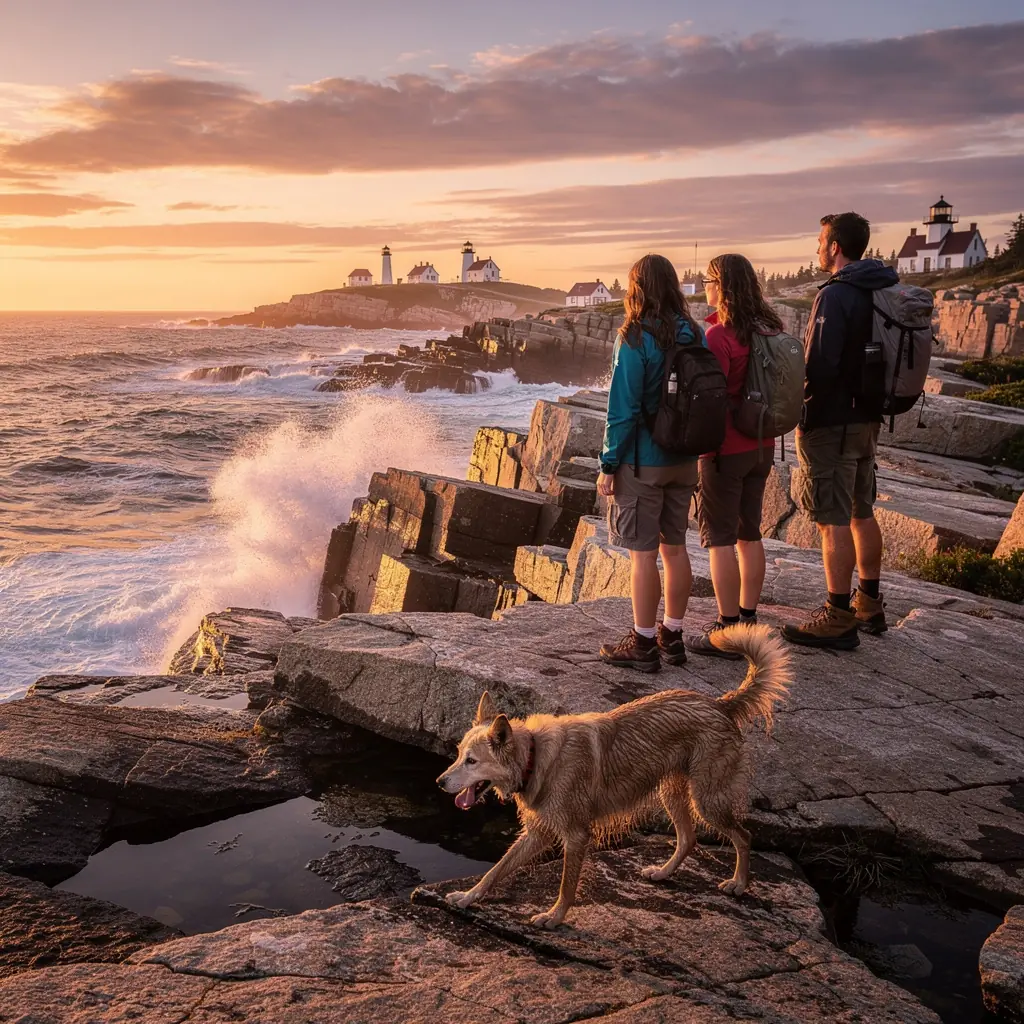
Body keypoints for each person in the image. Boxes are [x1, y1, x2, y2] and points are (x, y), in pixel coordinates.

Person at [781, 212, 897, 650]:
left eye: (820, 241)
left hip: (832, 422)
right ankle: (868, 602)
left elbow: (820, 365)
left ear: (835, 247)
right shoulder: (881, 288)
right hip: (868, 419)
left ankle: (837, 615)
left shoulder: (835, 294)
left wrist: (799, 409)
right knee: (861, 512)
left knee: (832, 521)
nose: (817, 248)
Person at [596, 254, 704, 672]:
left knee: (642, 556)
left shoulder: (635, 337)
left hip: (644, 462)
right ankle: (672, 637)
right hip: (684, 458)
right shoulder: (695, 333)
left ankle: (642, 644)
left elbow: (622, 409)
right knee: (674, 550)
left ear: (637, 289)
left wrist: (609, 463)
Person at [684, 254, 784, 660]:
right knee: (750, 533)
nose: (704, 287)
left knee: (720, 539)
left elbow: (712, 395)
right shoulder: (770, 329)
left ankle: (727, 628)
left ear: (722, 286)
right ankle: (748, 617)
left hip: (725, 449)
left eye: (708, 280)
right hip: (762, 444)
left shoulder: (719, 335)